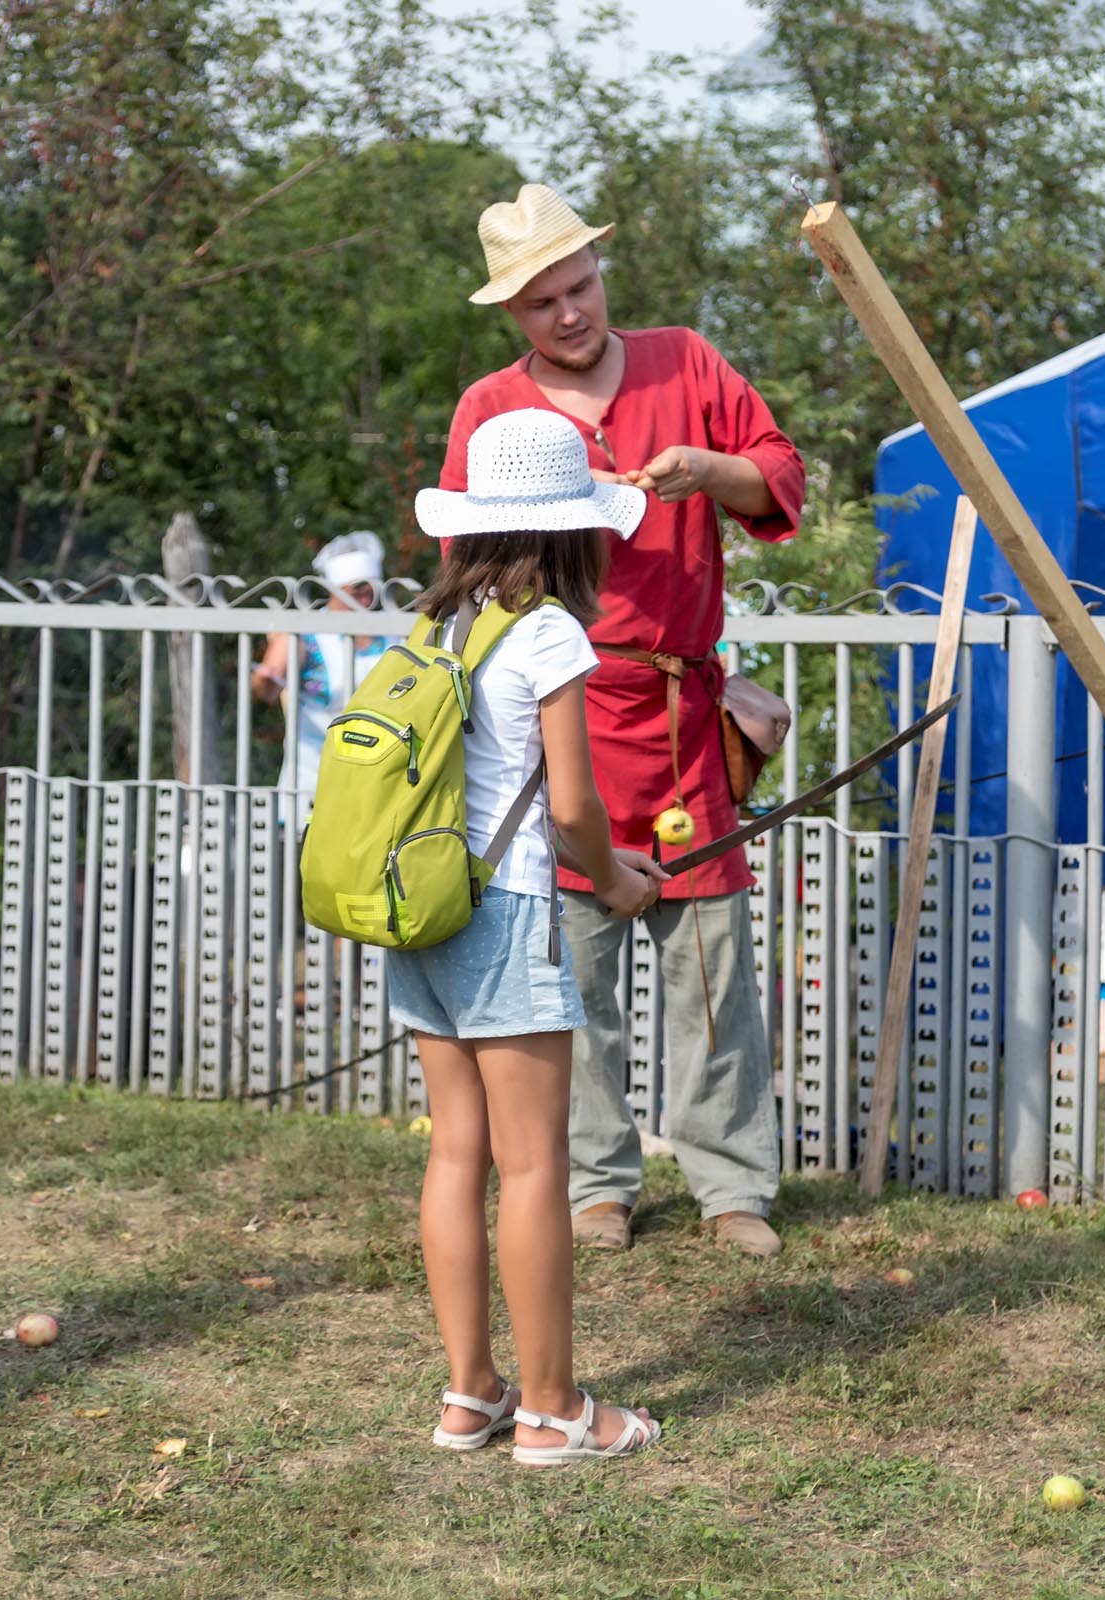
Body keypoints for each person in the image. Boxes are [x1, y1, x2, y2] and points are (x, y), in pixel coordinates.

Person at [443, 184, 806, 1258]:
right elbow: (465, 562)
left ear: (601, 274)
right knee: (571, 975)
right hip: (562, 720)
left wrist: (710, 471)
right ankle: (596, 1182)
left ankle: (733, 1184)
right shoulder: (488, 411)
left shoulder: (688, 363)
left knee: (713, 972)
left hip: (682, 717)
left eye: (581, 285)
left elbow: (780, 477)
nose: (569, 312)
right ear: (513, 313)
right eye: (543, 300)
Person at [399, 407, 668, 1465]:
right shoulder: (550, 631)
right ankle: (557, 1411)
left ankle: (471, 1396)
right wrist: (615, 881)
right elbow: (569, 807)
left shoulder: (434, 623)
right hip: (510, 913)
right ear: (574, 531)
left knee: (457, 1153)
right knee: (535, 1165)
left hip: (425, 910)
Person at [251, 531, 389, 826]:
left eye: (371, 588)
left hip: (377, 780)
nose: (366, 595)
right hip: (312, 780)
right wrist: (267, 680)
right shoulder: (307, 631)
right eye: (357, 588)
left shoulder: (392, 634)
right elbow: (268, 682)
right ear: (336, 589)